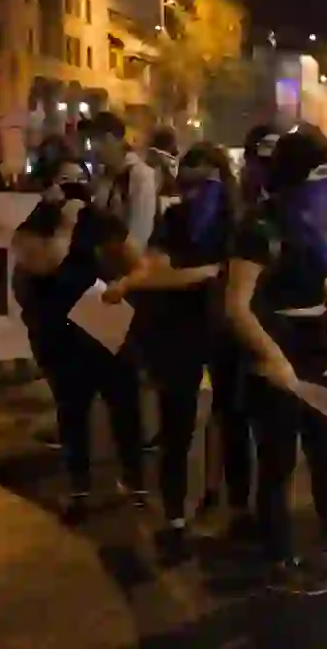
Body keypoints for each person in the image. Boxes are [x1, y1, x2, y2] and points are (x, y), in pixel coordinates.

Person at [224, 126, 327, 594]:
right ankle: (279, 561)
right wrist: (272, 357)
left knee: (326, 446)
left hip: (315, 343)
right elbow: (237, 303)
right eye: (321, 173)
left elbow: (306, 271)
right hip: (276, 344)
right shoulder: (261, 226)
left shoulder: (309, 221)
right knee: (278, 459)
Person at [104, 142, 250, 562]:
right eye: (186, 183)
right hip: (181, 332)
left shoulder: (240, 223)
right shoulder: (178, 217)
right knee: (176, 428)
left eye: (202, 183)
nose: (193, 193)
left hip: (226, 331)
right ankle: (175, 519)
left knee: (231, 421)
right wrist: (197, 274)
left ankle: (229, 505)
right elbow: (155, 269)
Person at [11, 155, 147, 524]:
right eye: (65, 181)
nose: (72, 189)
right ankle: (80, 489)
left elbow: (136, 261)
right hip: (59, 329)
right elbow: (44, 263)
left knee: (123, 403)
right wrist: (67, 221)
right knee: (73, 411)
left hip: (100, 317)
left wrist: (122, 284)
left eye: (77, 181)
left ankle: (134, 482)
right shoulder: (36, 224)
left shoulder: (99, 220)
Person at [84, 111, 158, 247]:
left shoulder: (140, 175)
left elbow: (140, 233)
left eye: (95, 140)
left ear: (111, 139)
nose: (93, 148)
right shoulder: (104, 175)